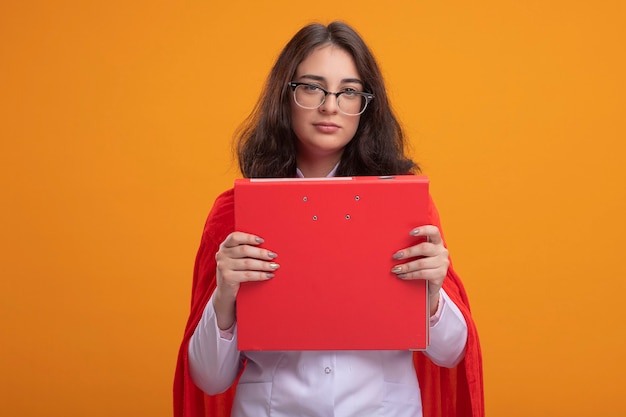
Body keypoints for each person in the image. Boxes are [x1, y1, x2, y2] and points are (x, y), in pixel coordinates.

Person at [174, 21, 484, 417]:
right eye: (312, 87)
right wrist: (225, 295)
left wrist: (434, 293)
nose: (330, 106)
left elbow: (451, 353)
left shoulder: (406, 205)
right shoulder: (235, 213)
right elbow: (209, 379)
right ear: (284, 95)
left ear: (365, 104)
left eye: (349, 91)